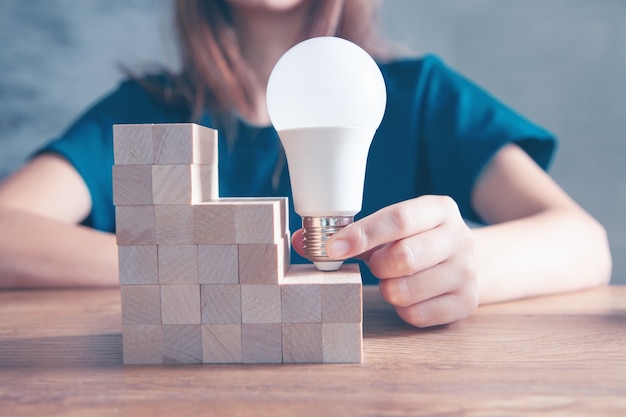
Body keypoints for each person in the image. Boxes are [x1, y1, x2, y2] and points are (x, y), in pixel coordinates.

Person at [0, 0, 612, 327]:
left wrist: (467, 267)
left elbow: (584, 242)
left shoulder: (421, 95)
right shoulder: (143, 117)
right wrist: (191, 265)